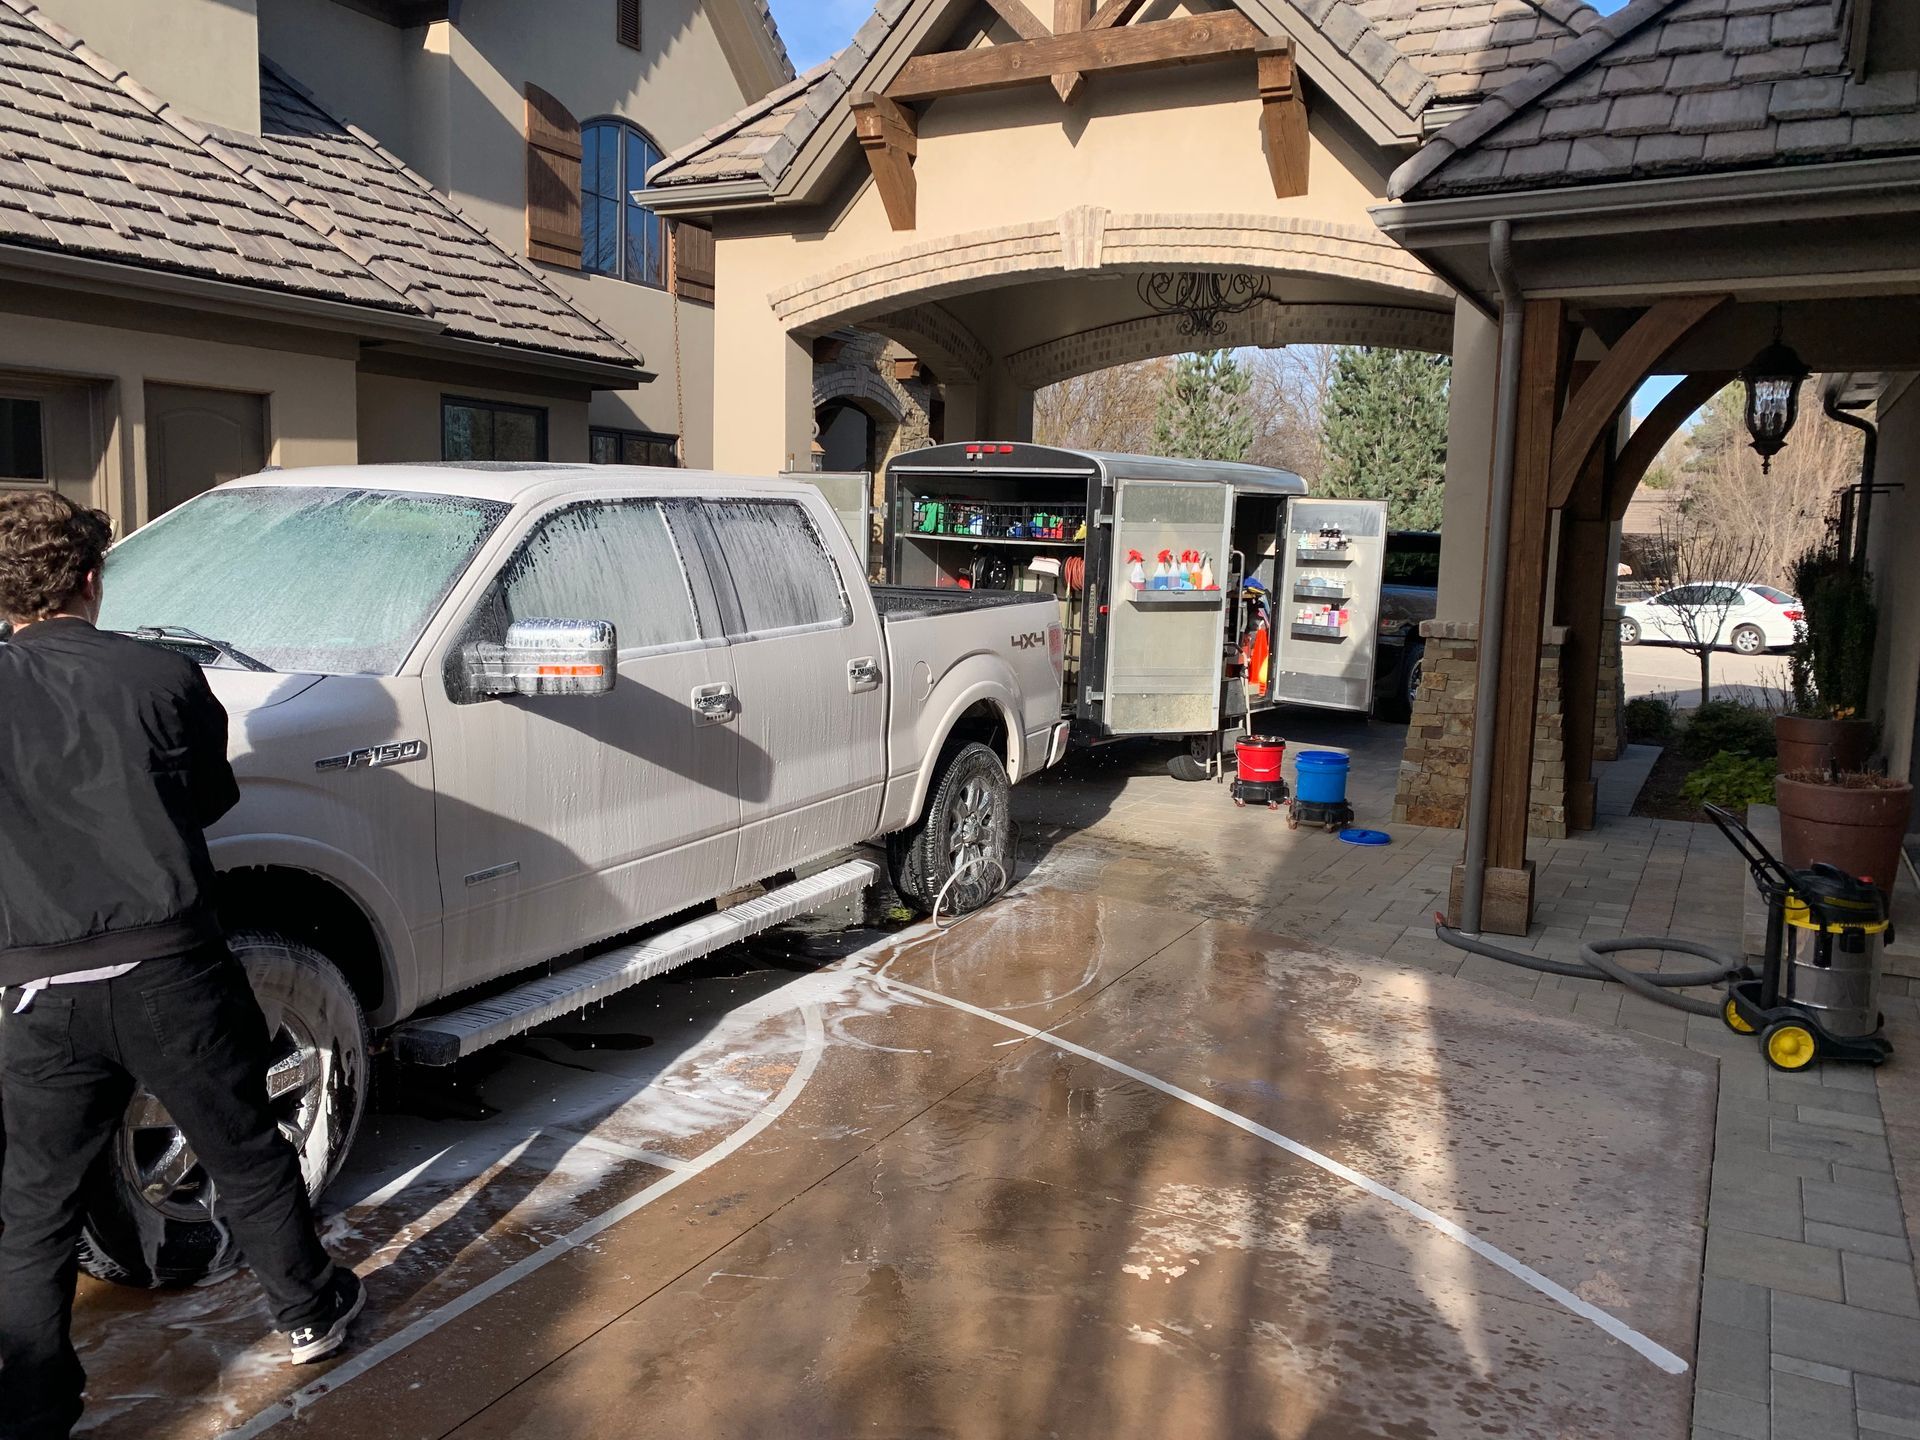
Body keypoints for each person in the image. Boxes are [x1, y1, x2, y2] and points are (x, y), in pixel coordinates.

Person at [0, 491, 362, 1440]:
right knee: (244, 1146)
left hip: (34, 983)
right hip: (170, 968)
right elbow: (210, 795)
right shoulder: (162, 676)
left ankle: (33, 1406)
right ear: (91, 578)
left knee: (34, 1203)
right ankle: (309, 1310)